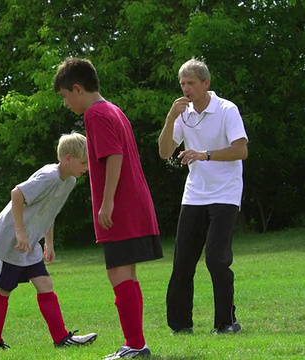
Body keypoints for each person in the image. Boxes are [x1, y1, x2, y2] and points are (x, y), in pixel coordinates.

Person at [53, 57, 162, 359]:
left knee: (118, 274)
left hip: (121, 207)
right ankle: (137, 344)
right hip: (135, 203)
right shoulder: (113, 109)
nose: (66, 103)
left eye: (65, 96)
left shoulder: (95, 114)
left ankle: (135, 345)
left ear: (77, 88)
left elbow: (114, 156)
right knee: (127, 274)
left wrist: (107, 201)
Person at [0, 132, 98, 350]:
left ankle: (62, 339)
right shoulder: (49, 176)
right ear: (68, 158)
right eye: (84, 162)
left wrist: (48, 243)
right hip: (8, 241)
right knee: (3, 289)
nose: (87, 168)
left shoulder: (69, 181)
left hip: (30, 242)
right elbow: (17, 194)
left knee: (45, 284)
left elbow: (49, 212)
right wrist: (20, 233)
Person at [158, 57, 248, 335]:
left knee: (216, 259)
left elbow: (241, 150)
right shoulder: (183, 114)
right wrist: (171, 117)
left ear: (206, 83)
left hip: (225, 194)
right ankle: (180, 326)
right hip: (195, 195)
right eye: (182, 84)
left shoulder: (226, 109)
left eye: (191, 83)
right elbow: (164, 152)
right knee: (183, 260)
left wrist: (204, 155)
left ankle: (226, 323)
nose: (186, 89)